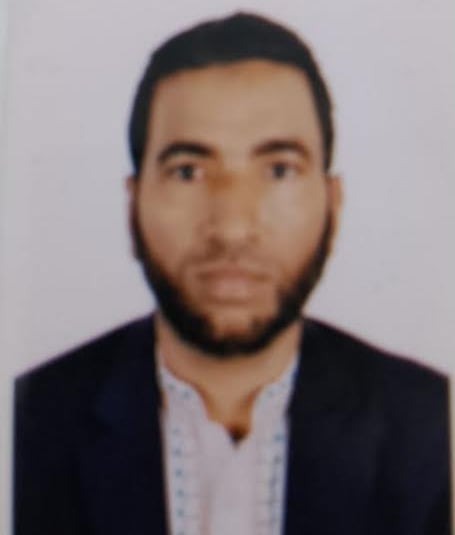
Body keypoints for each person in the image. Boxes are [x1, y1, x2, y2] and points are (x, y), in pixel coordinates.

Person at [14, 12, 450, 535]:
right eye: (188, 171)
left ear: (332, 203)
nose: (232, 226)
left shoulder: (434, 433)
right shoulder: (23, 429)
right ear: (132, 204)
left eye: (279, 169)